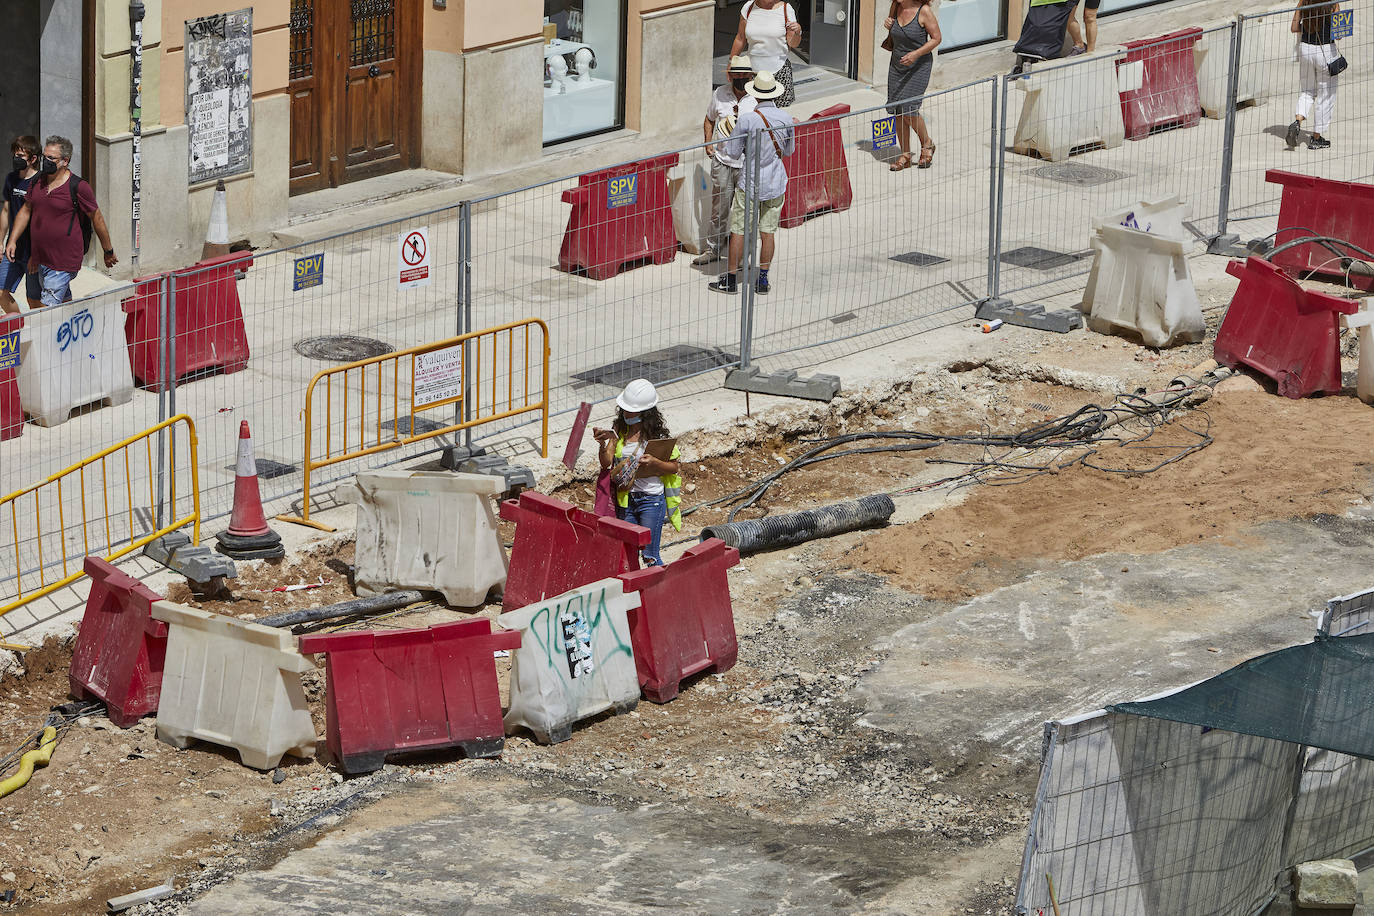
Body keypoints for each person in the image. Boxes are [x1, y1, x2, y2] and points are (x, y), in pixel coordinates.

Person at [708, 70, 795, 297]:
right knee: (768, 232)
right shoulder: (786, 118)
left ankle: (731, 279)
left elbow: (734, 153)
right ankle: (763, 280)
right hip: (775, 182)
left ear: (755, 95)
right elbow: (788, 150)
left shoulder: (747, 119)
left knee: (738, 230)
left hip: (750, 182)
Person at [4, 136, 117, 308]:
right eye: (44, 156)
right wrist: (12, 240)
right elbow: (26, 211)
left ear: (65, 161)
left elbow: (97, 218)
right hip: (39, 258)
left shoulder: (78, 187)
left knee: (48, 312)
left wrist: (108, 251)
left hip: (62, 262)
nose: (46, 161)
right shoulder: (37, 181)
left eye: (51, 158)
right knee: (47, 303)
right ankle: (72, 329)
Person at [594, 378, 683, 567]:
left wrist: (655, 463)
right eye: (625, 409)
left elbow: (674, 467)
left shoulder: (657, 436)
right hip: (627, 500)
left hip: (651, 500)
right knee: (627, 552)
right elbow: (606, 463)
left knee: (650, 555)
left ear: (645, 412)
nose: (626, 413)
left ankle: (657, 593)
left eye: (631, 410)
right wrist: (603, 445)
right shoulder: (619, 430)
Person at [695, 55, 758, 267]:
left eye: (744, 74)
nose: (740, 78)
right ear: (730, 76)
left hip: (746, 164)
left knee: (745, 212)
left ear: (750, 75)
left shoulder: (759, 97)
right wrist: (708, 142)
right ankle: (713, 248)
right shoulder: (720, 94)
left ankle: (743, 254)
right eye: (736, 74)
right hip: (722, 161)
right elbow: (709, 119)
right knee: (718, 209)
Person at [884, 0, 941, 171]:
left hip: (918, 66)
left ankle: (927, 143)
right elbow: (895, 32)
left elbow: (937, 38)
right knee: (898, 110)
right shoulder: (896, 7)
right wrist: (888, 25)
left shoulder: (924, 11)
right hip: (897, 65)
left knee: (909, 108)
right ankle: (905, 155)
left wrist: (916, 54)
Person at [1287, 0, 1340, 150]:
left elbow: (1294, 28)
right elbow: (1339, 34)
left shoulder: (1303, 1)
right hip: (1326, 50)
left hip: (1305, 49)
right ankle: (1316, 138)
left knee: (1307, 91)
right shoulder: (1333, 3)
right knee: (1326, 94)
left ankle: (1297, 121)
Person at [730, 0, 802, 107]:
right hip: (752, 73)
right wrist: (731, 62)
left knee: (779, 116)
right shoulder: (748, 7)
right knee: (751, 112)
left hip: (779, 72)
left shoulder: (786, 9)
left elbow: (793, 43)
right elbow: (740, 38)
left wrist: (797, 32)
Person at [0, 136, 39, 314]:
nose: (16, 159)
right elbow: (6, 211)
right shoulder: (11, 179)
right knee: (1, 291)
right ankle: (19, 328)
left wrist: (38, 253)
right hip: (13, 248)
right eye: (15, 154)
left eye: (21, 155)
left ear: (33, 159)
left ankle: (39, 335)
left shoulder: (41, 182)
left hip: (34, 252)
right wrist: (1, 242)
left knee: (34, 300)